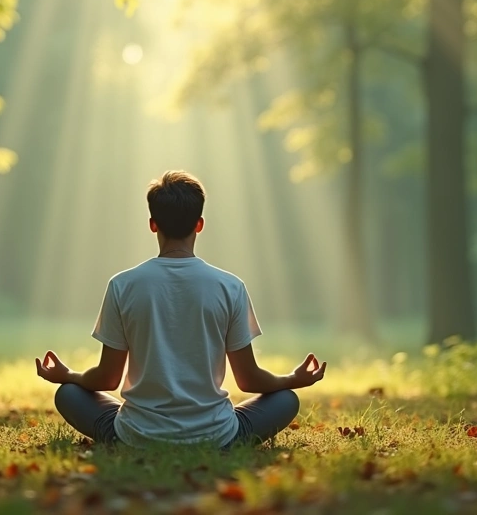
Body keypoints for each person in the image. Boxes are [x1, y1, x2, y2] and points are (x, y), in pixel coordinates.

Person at [34, 170, 327, 447]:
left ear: (153, 224)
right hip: (217, 435)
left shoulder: (122, 284)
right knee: (286, 399)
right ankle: (218, 437)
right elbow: (248, 379)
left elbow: (107, 379)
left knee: (69, 394)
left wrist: (67, 375)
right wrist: (294, 379)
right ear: (199, 224)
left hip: (135, 434)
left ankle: (135, 435)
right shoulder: (230, 286)